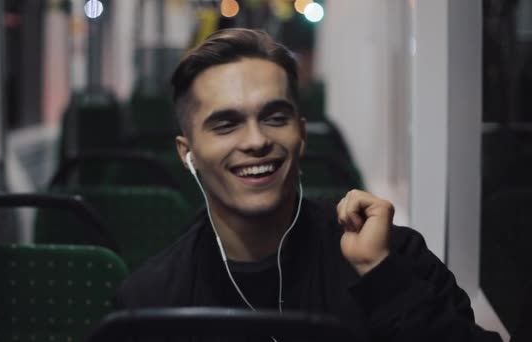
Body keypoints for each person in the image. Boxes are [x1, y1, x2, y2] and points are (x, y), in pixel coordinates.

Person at [114, 28, 501, 341]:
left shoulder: (395, 257)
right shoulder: (149, 303)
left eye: (275, 117)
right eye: (226, 124)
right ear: (188, 153)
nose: (255, 141)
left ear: (301, 134)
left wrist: (381, 275)